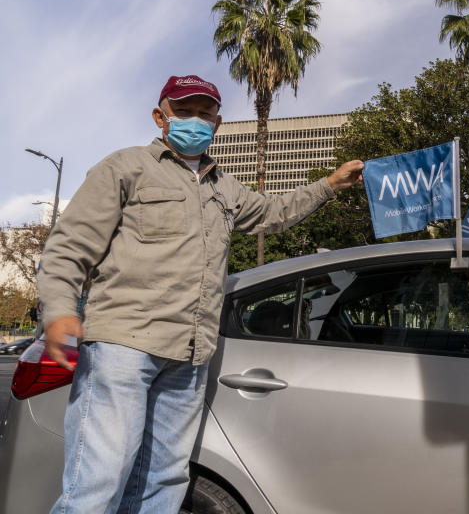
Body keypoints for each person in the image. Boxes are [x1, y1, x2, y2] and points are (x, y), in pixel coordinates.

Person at [37, 75, 364, 513]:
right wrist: (58, 310)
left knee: (164, 480)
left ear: (218, 122)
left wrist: (328, 186)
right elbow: (69, 246)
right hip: (123, 348)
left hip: (190, 357)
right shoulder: (125, 167)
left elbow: (273, 213)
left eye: (204, 113)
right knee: (98, 483)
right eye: (184, 111)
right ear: (161, 116)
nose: (195, 120)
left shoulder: (223, 186)